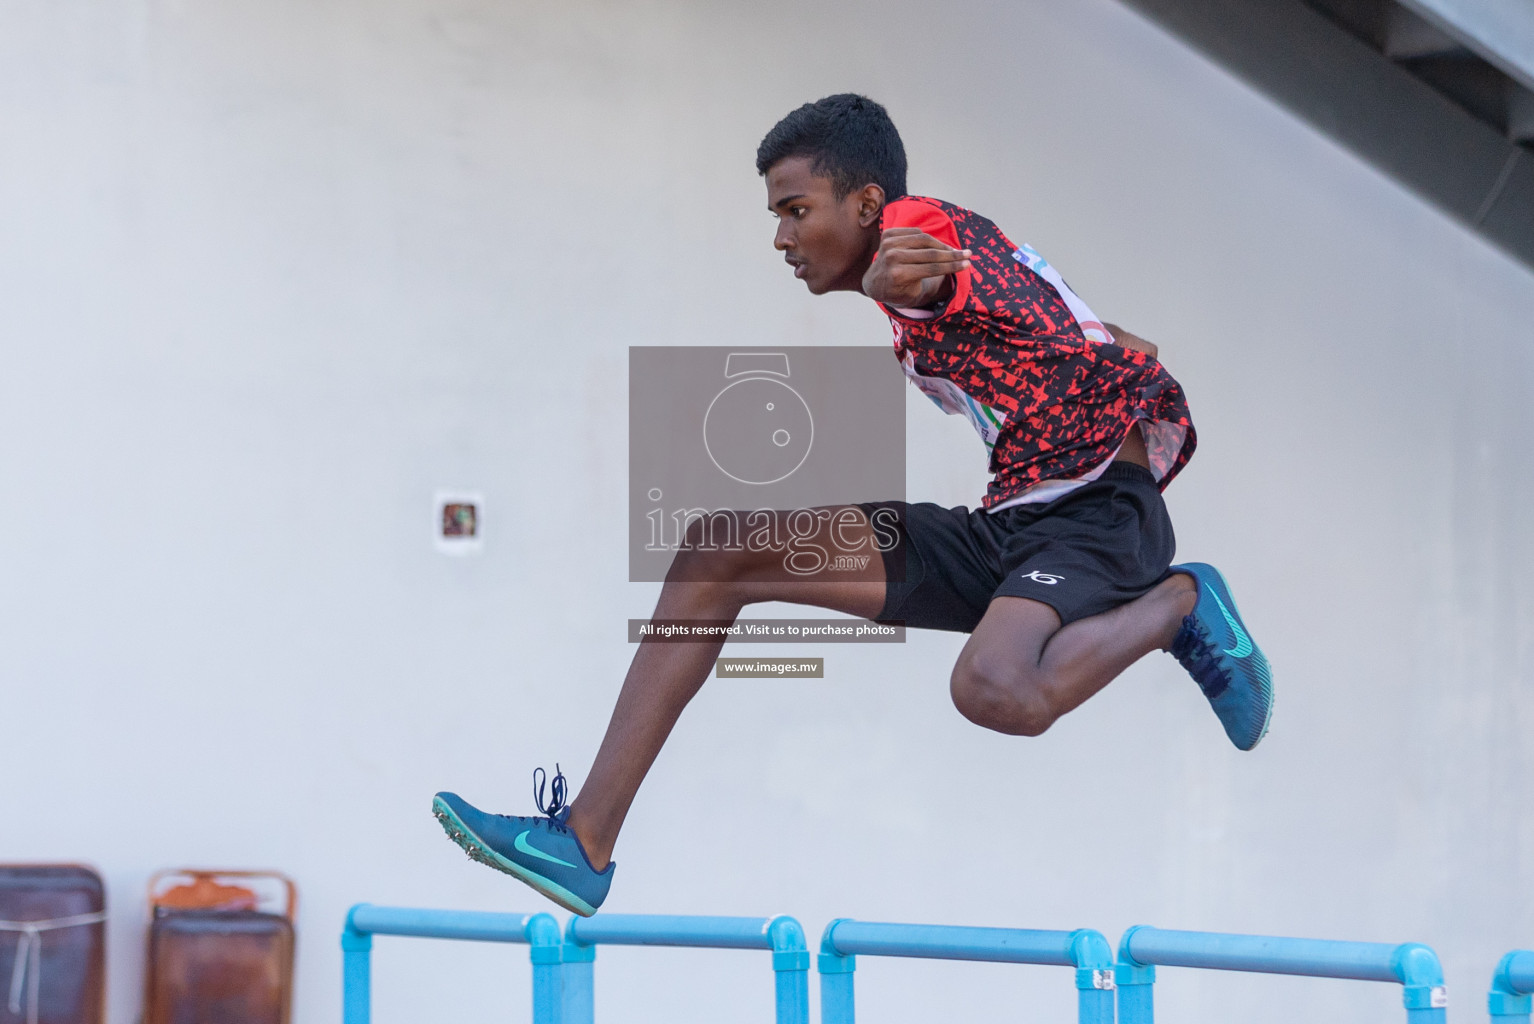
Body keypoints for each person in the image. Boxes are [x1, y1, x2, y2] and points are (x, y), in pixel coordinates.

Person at [432, 94, 1272, 917]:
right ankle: (584, 844)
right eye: (776, 215)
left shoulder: (917, 238)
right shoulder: (974, 260)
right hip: (1012, 525)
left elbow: (921, 257)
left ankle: (1181, 603)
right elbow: (1127, 346)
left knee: (993, 688)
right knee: (714, 554)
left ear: (867, 203)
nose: (782, 237)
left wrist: (909, 276)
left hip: (1096, 514)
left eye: (797, 210)